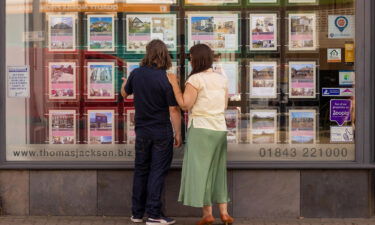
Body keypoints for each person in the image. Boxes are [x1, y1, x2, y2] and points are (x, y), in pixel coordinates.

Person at [167, 44, 234, 225]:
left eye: (190, 57)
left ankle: (208, 215)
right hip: (219, 128)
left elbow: (184, 104)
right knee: (218, 171)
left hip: (201, 129)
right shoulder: (221, 79)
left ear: (196, 59)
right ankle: (225, 213)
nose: (189, 60)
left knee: (201, 172)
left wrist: (174, 84)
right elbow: (225, 105)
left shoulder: (195, 79)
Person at [121, 39, 182, 225]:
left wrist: (125, 83)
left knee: (141, 170)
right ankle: (155, 215)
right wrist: (178, 133)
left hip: (142, 131)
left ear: (148, 54)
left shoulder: (136, 73)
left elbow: (124, 94)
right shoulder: (167, 78)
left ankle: (137, 213)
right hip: (161, 131)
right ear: (164, 55)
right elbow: (173, 109)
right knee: (157, 171)